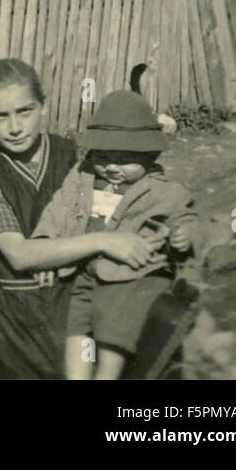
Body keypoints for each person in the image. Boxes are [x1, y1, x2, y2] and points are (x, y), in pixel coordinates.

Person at [0, 58, 157, 379]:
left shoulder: (75, 156)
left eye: (25, 111)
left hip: (77, 300)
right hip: (15, 321)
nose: (14, 127)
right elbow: (20, 255)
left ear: (43, 107)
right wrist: (100, 241)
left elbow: (111, 212)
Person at [31, 90, 200, 379]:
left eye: (123, 159)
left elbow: (188, 217)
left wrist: (185, 234)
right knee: (76, 324)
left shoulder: (163, 190)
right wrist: (45, 243)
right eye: (104, 156)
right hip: (84, 272)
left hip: (130, 275)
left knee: (115, 324)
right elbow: (57, 209)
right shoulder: (82, 178)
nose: (111, 166)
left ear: (149, 155)